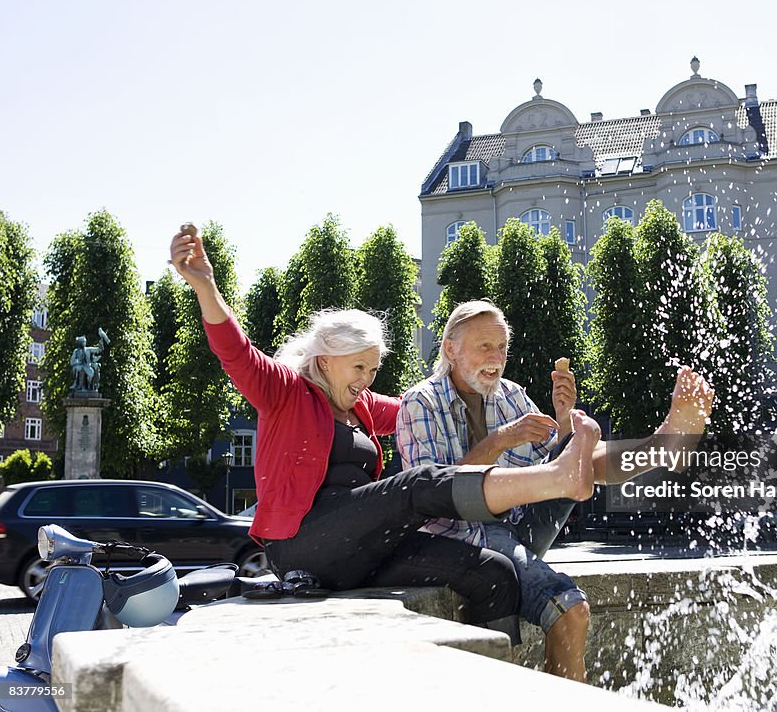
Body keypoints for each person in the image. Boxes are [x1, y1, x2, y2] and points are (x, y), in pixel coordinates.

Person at [169, 224, 601, 643]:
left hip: (363, 546)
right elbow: (236, 352)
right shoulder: (285, 392)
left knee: (492, 571)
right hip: (305, 545)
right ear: (325, 361)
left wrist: (534, 414)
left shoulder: (363, 405)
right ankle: (555, 479)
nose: (366, 380)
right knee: (415, 484)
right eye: (358, 368)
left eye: (373, 370)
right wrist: (206, 287)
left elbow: (425, 407)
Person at [397, 300, 714, 681]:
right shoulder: (420, 402)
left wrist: (565, 426)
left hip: (520, 525)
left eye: (502, 347)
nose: (496, 357)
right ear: (450, 349)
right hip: (462, 538)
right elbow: (432, 496)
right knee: (571, 609)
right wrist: (499, 440)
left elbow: (559, 464)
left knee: (575, 455)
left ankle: (662, 446)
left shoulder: (512, 395)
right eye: (485, 346)